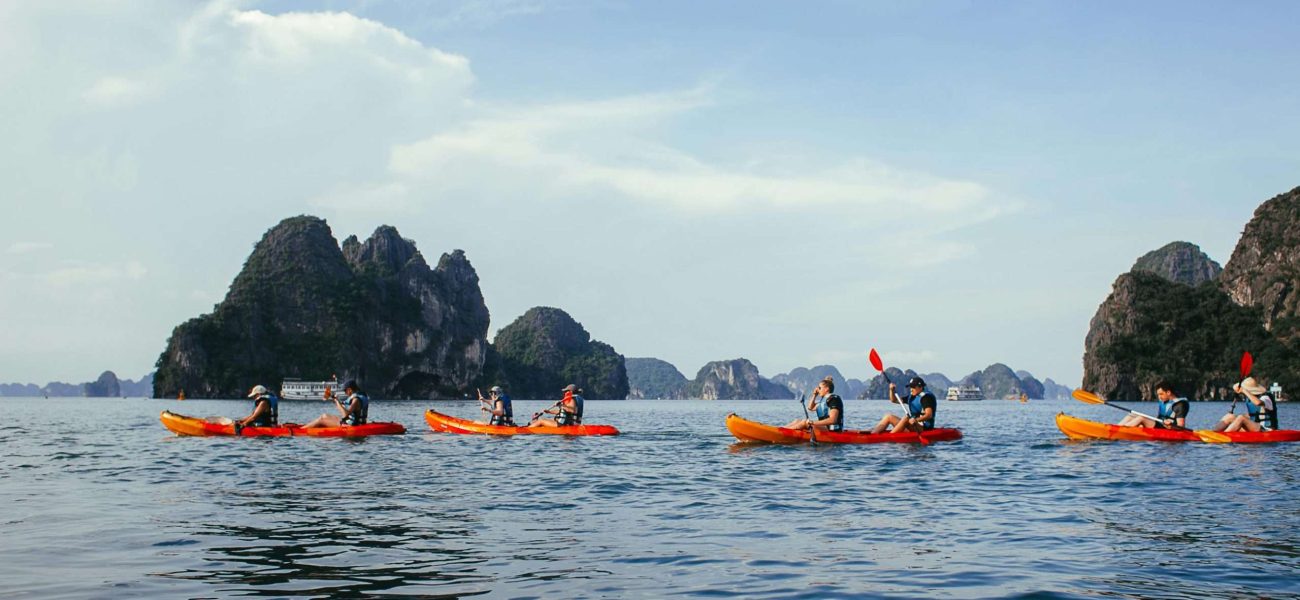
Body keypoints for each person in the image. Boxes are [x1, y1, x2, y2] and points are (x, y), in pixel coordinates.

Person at [870, 376, 936, 434]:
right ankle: (873, 434)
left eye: (913, 387)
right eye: (910, 387)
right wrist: (891, 390)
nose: (911, 389)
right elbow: (894, 400)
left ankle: (889, 438)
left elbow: (929, 415)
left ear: (920, 387)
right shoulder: (911, 397)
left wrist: (916, 420)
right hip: (913, 425)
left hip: (924, 428)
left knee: (906, 418)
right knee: (888, 417)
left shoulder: (926, 398)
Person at [1213, 377, 1278, 433]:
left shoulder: (1266, 398)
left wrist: (1244, 390)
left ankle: (1224, 436)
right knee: (1230, 416)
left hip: (1267, 430)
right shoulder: (1251, 398)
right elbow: (1253, 415)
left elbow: (1258, 403)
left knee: (1241, 418)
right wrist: (1235, 418)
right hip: (1255, 427)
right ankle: (1213, 433)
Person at [1117, 381, 1187, 429]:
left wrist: (1171, 426)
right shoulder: (1165, 401)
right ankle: (1116, 427)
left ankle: (1120, 430)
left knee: (1142, 418)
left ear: (1168, 392)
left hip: (1167, 429)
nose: (1159, 397)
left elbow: (1181, 426)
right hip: (1159, 424)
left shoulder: (1179, 405)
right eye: (1158, 395)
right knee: (1132, 415)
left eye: (1161, 394)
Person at [301, 380, 369, 428]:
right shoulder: (362, 395)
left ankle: (301, 430)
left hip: (351, 425)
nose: (345, 392)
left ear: (350, 390)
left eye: (345, 390)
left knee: (321, 419)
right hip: (356, 422)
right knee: (325, 416)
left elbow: (345, 415)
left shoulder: (355, 400)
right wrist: (335, 400)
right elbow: (348, 409)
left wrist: (336, 401)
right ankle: (307, 426)